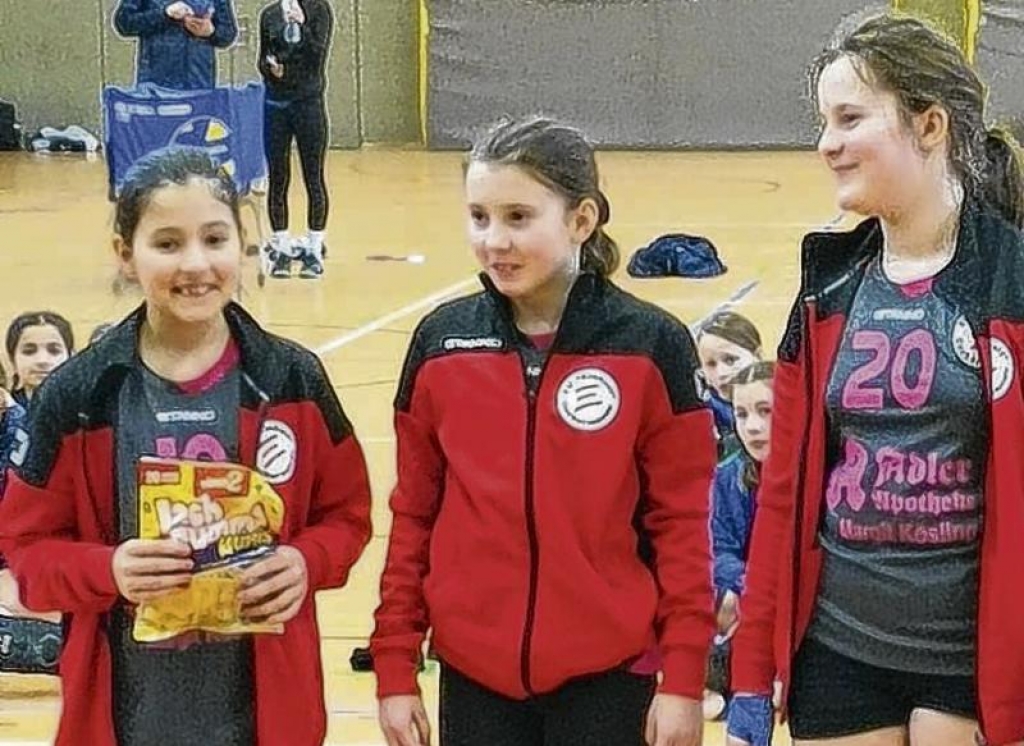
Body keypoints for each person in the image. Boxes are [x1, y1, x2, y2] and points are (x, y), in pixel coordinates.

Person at [0, 146, 372, 746]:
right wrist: (109, 570)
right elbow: (25, 553)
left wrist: (306, 563)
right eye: (167, 243)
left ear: (243, 244)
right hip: (125, 717)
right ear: (126, 255)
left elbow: (348, 518)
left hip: (267, 718)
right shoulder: (79, 395)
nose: (195, 263)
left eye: (214, 238)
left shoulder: (291, 381)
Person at [370, 116, 716, 746]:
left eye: (518, 217)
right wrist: (395, 664)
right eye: (479, 217)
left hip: (610, 678)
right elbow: (414, 514)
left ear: (582, 221)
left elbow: (682, 525)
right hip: (475, 681)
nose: (493, 240)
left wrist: (684, 677)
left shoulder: (651, 347)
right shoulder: (439, 345)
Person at [727, 13, 1024, 746]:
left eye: (851, 118)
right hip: (839, 653)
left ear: (929, 126)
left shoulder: (1009, 280)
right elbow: (784, 497)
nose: (827, 143)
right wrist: (749, 673)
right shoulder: (829, 289)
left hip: (971, 664)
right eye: (826, 120)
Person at [704, 361, 774, 721]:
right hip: (753, 594)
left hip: (800, 600)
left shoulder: (820, 471)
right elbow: (720, 550)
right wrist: (745, 586)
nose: (753, 426)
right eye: (742, 413)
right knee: (718, 596)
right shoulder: (729, 476)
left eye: (765, 412)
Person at [257, 0, 334, 279]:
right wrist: (271, 68)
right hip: (276, 106)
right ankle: (282, 246)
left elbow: (318, 55)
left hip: (308, 104)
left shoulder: (319, 10)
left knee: (313, 176)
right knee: (278, 177)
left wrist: (302, 24)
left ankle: (314, 248)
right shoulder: (269, 15)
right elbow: (262, 59)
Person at [114, 0, 238, 90]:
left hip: (200, 85)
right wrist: (165, 14)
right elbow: (124, 23)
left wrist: (211, 32)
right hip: (156, 87)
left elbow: (228, 33)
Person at [695, 311, 763, 460]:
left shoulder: (785, 401)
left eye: (731, 360)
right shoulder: (702, 414)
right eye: (710, 364)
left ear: (757, 355)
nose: (721, 373)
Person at [5, 311, 74, 408]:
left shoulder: (89, 413)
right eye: (29, 351)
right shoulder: (5, 413)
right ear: (12, 360)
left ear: (71, 358)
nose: (42, 360)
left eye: (54, 351)